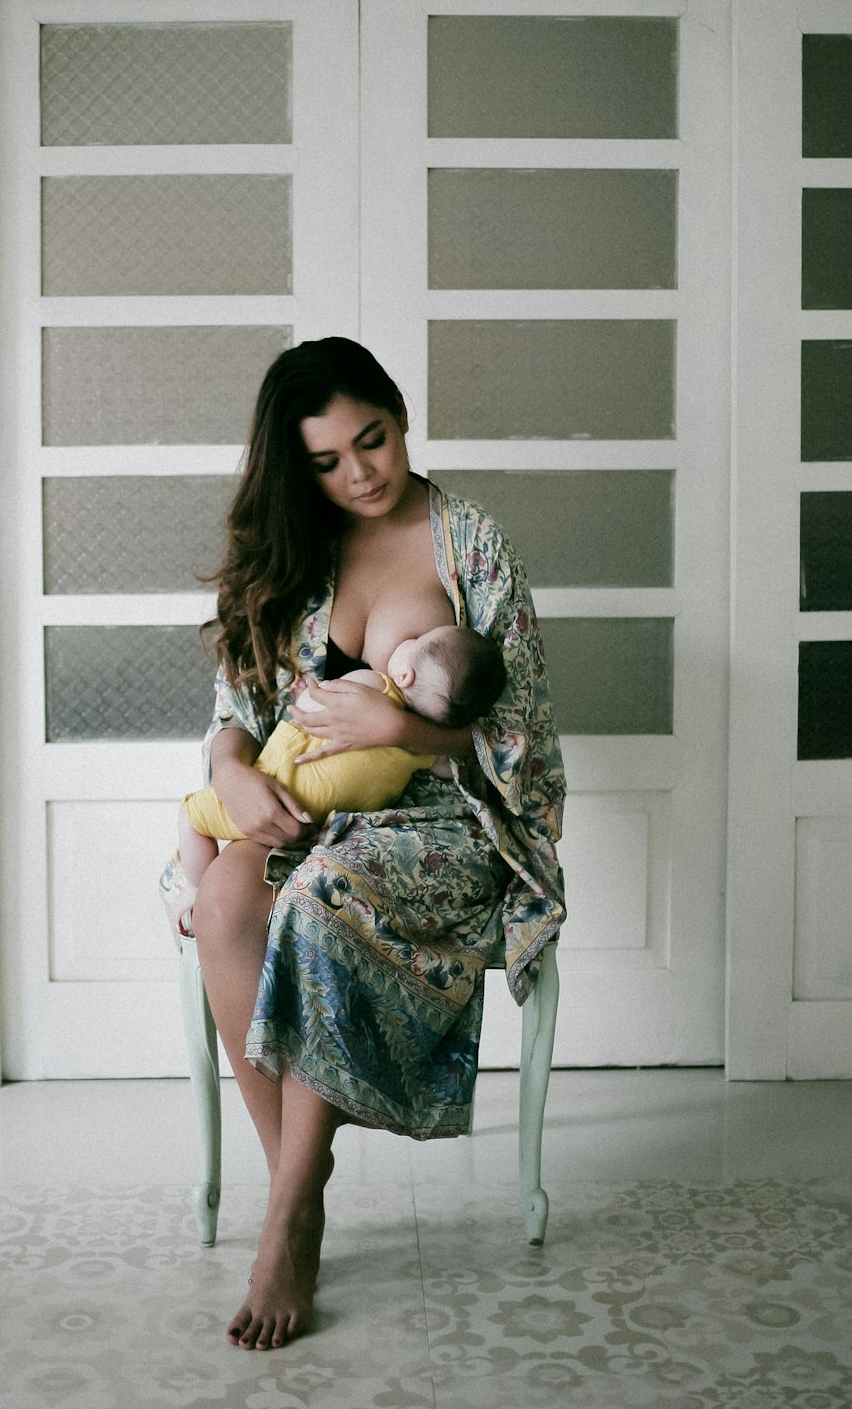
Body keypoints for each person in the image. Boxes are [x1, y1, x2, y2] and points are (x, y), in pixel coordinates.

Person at [187, 337, 566, 1351]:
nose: (360, 474)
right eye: (328, 460)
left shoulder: (468, 543)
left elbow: (519, 741)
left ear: (399, 416)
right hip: (302, 797)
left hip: (442, 819)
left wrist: (397, 730)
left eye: (374, 439)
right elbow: (235, 706)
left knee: (317, 897)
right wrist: (231, 772)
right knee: (225, 902)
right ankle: (295, 1182)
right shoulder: (292, 546)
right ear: (295, 468)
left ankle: (287, 1223)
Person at [158, 623, 507, 939]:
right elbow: (458, 763)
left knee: (190, 817)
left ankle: (196, 891)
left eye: (415, 641)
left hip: (283, 784)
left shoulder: (375, 686)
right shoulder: (423, 751)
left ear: (404, 675)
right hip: (330, 822)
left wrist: (313, 694)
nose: (407, 639)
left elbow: (312, 702)